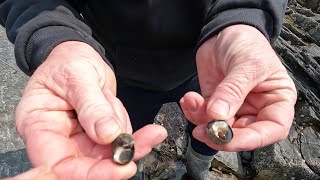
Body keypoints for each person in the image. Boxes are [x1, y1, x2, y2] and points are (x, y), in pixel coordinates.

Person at [0, 0, 297, 179]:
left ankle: (200, 163)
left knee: (209, 130)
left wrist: (245, 20)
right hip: (118, 74)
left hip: (209, 65)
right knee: (126, 134)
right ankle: (131, 167)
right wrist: (56, 40)